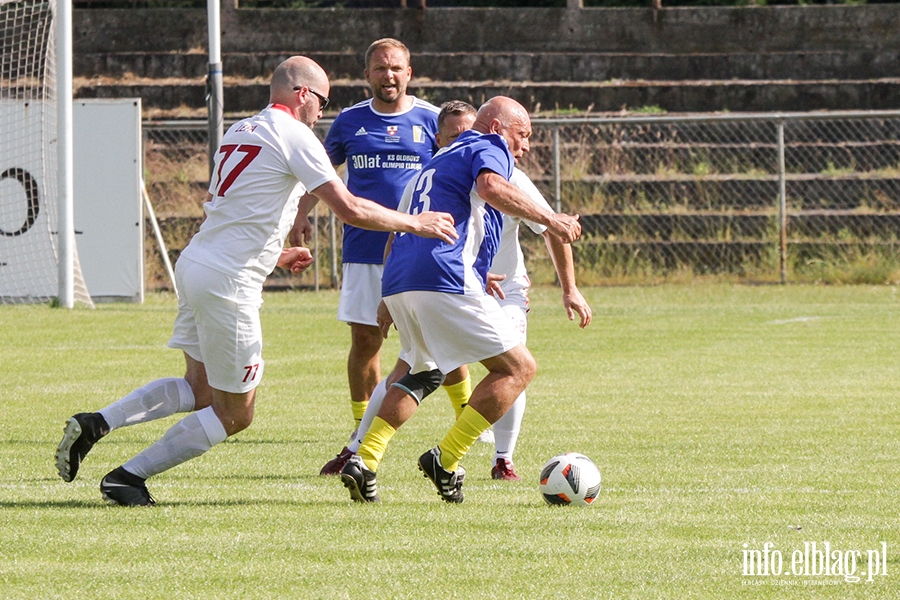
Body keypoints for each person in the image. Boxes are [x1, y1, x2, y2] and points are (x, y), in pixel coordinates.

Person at [54, 56, 458, 507]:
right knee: (234, 414)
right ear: (302, 93)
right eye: (321, 100)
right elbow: (349, 208)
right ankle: (127, 477)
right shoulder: (294, 134)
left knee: (200, 388)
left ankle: (97, 422)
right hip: (228, 281)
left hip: (198, 263)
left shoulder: (241, 128)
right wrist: (414, 223)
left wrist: (275, 254)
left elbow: (223, 205)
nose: (322, 111)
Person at [332, 100, 592, 484]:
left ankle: (365, 459)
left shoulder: (430, 166)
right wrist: (552, 218)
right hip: (444, 278)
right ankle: (449, 458)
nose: (525, 146)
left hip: (404, 280)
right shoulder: (489, 146)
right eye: (523, 135)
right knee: (519, 368)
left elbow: (396, 235)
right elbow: (490, 187)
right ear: (499, 127)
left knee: (418, 372)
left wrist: (388, 297)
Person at [290, 39, 441, 476]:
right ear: (367, 74)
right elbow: (319, 175)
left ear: (409, 72)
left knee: (441, 342)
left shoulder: (432, 120)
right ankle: (361, 431)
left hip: (420, 251)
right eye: (379, 68)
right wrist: (301, 215)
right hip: (363, 249)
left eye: (396, 68)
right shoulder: (350, 121)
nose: (388, 76)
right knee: (366, 342)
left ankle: (475, 420)